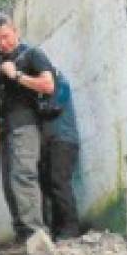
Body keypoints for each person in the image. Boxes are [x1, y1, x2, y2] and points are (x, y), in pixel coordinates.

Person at [0, 13, 55, 253]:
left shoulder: (33, 54)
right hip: (6, 128)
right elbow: (1, 99)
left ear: (16, 31)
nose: (3, 43)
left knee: (23, 177)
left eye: (5, 37)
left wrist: (16, 75)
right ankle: (21, 235)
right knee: (8, 182)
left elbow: (48, 85)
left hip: (27, 125)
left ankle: (36, 235)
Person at [37, 66, 82, 240]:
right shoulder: (42, 92)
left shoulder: (62, 83)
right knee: (48, 186)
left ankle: (71, 228)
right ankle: (57, 229)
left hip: (64, 141)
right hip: (49, 144)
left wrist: (35, 106)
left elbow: (53, 107)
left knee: (59, 182)